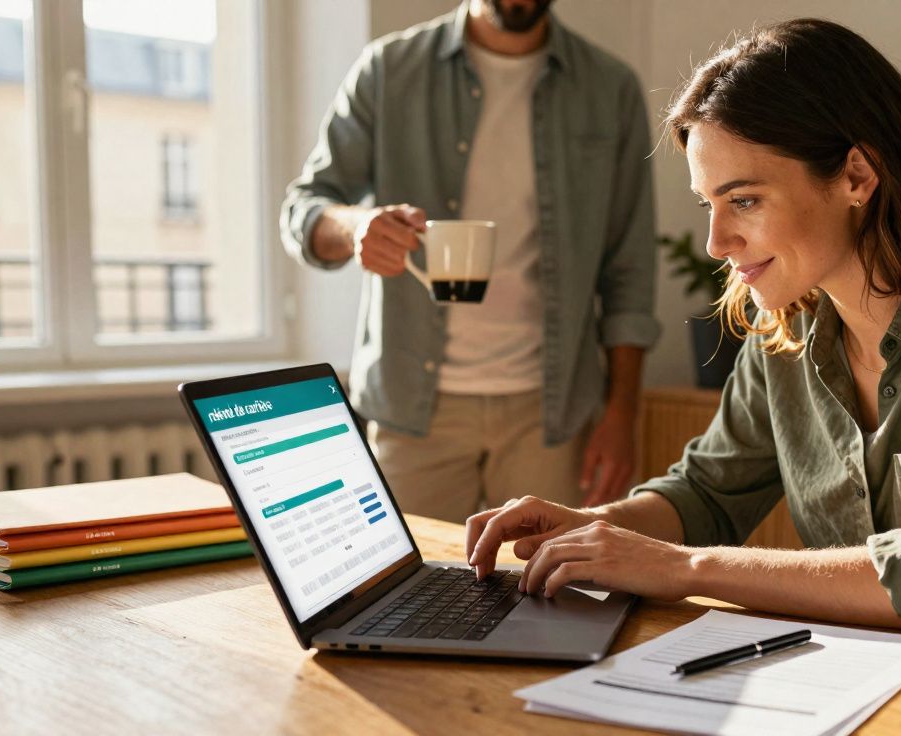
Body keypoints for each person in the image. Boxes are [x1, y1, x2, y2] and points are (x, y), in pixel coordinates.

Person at [464, 18, 901, 633]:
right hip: (872, 676)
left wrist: (683, 568)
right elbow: (706, 493)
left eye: (744, 200)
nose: (715, 241)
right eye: (709, 204)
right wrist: (592, 528)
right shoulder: (788, 327)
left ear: (856, 175)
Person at [280, 0, 659, 523]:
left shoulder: (610, 88)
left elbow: (630, 266)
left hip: (553, 413)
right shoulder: (388, 69)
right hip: (413, 409)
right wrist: (356, 227)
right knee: (403, 596)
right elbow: (304, 208)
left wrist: (622, 413)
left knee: (558, 592)